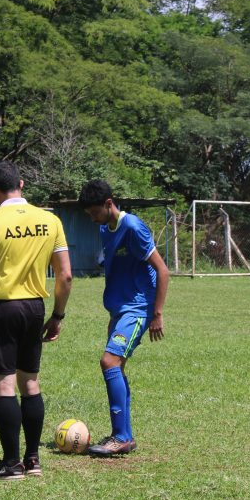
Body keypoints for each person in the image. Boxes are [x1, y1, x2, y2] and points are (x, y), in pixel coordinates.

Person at [0, 161, 72, 480]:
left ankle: (10, 464)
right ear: (21, 184)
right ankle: (33, 460)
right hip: (35, 309)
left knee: (5, 386)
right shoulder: (50, 221)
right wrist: (57, 315)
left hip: (2, 309)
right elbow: (65, 275)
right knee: (30, 383)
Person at [78, 179, 170, 457]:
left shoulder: (133, 227)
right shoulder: (105, 229)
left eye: (95, 212)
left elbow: (162, 270)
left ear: (109, 203)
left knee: (109, 362)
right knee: (116, 365)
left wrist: (157, 313)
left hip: (138, 308)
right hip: (120, 310)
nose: (93, 219)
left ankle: (120, 437)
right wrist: (113, 314)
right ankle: (124, 436)